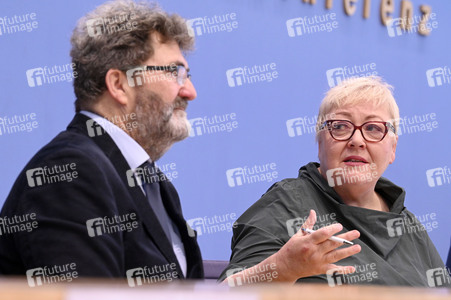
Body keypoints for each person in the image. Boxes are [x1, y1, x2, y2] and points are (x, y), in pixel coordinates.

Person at [0, 0, 203, 281]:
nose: (190, 91)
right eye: (174, 72)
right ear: (119, 85)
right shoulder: (68, 173)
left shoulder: (156, 185)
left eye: (187, 75)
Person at [219, 77, 449, 287]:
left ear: (393, 149)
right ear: (319, 143)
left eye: (373, 128)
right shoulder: (285, 205)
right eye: (340, 126)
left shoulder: (407, 223)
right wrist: (283, 269)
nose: (357, 140)